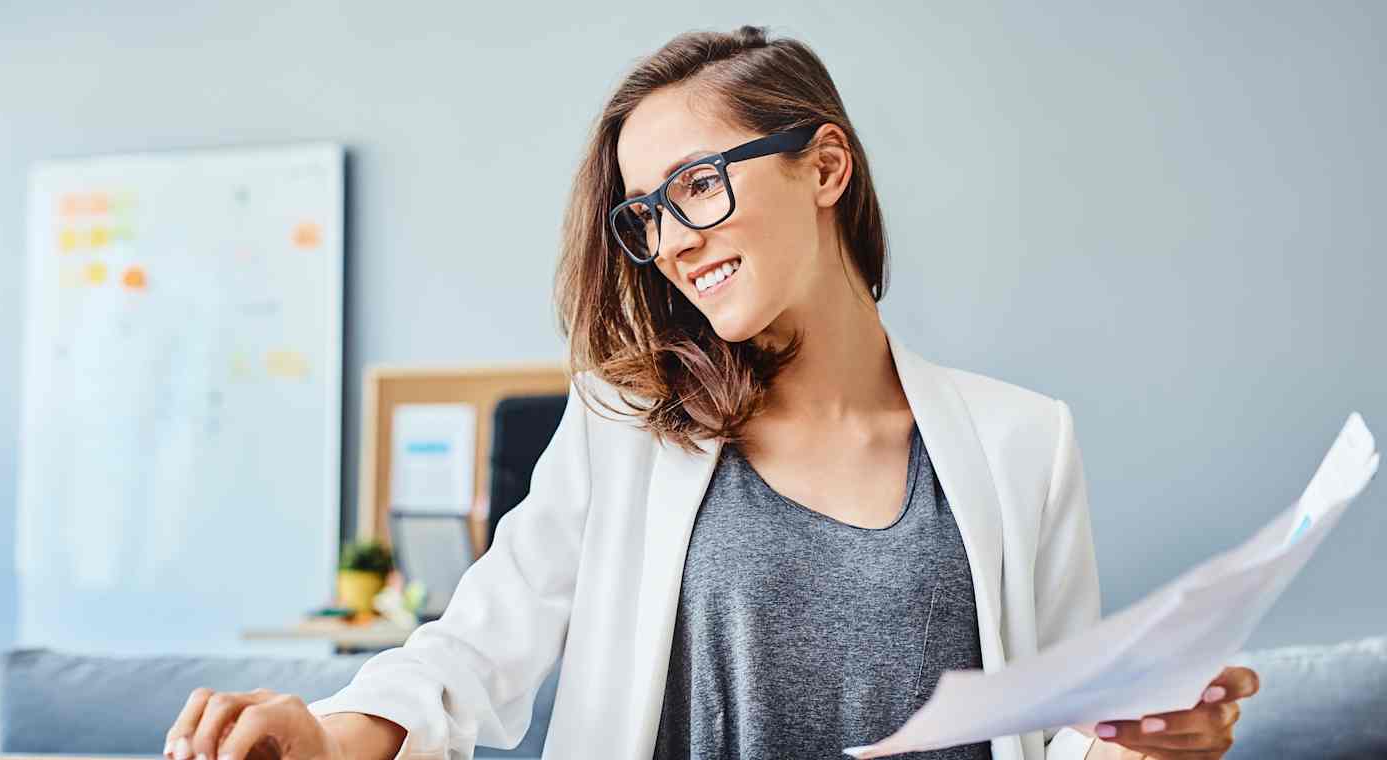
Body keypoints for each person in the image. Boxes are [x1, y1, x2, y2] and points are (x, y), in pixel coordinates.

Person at [161, 24, 1259, 760]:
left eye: (698, 186)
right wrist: (323, 736)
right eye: (645, 215)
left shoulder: (1025, 440)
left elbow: (1057, 726)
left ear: (824, 168)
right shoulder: (623, 424)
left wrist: (1142, 737)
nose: (672, 243)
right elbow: (473, 650)